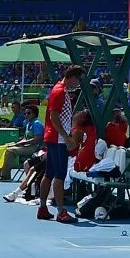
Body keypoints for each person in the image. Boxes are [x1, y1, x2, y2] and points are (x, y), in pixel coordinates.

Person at [39, 66, 83, 223]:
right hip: (58, 138)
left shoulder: (59, 90)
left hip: (54, 137)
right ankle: (61, 211)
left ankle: (43, 207)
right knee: (59, 174)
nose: (79, 83)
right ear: (72, 77)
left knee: (49, 173)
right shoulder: (60, 91)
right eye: (79, 79)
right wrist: (66, 137)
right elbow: (54, 116)